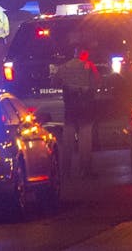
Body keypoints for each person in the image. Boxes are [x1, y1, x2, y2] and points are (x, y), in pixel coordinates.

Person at [57, 47, 100, 177]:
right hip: (85, 107)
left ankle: (65, 170)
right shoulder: (89, 66)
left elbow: (55, 82)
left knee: (68, 140)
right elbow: (97, 82)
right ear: (85, 54)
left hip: (70, 108)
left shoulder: (64, 67)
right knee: (85, 139)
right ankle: (85, 170)